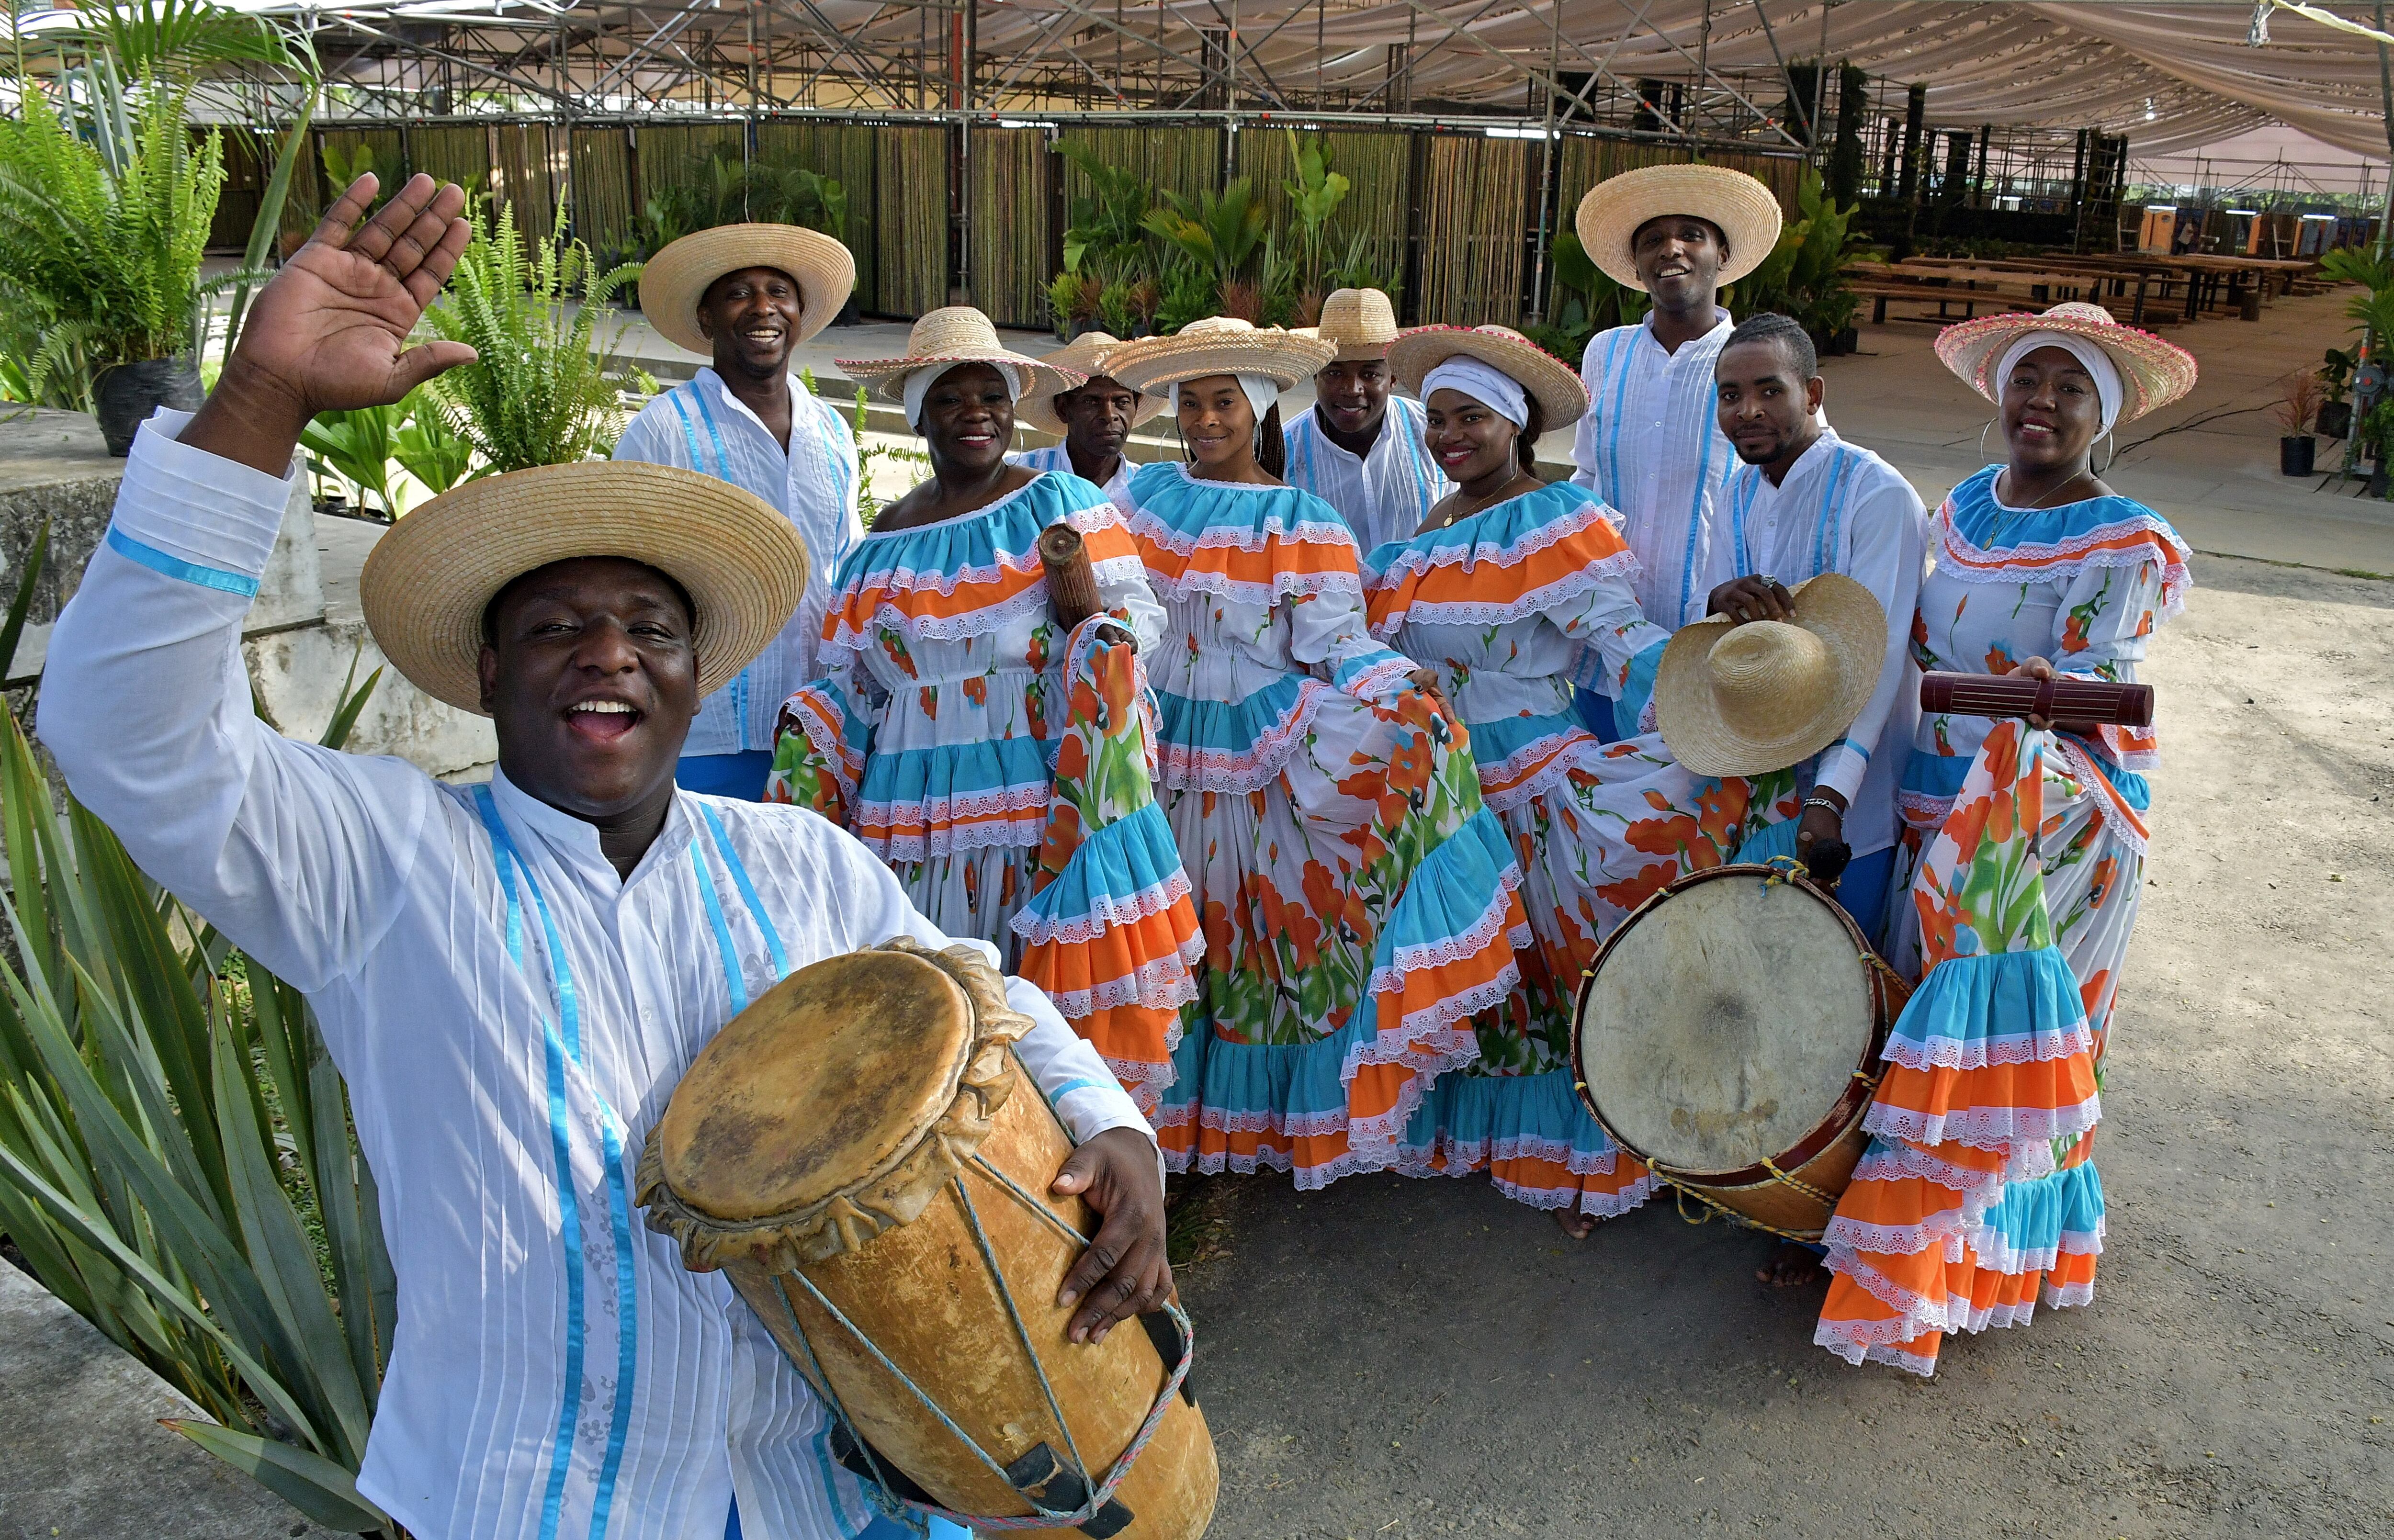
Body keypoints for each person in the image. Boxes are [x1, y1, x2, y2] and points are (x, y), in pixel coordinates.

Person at [37, 172, 1172, 1540]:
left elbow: (971, 992)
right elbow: (120, 732)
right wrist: (261, 403)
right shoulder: (384, 867)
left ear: (698, 679)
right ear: (483, 672)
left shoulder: (798, 867)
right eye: (559, 626)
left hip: (825, 1489)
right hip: (532, 1499)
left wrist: (1106, 1122)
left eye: (650, 624)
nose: (610, 654)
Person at [1809, 302, 2198, 1375]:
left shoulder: (2122, 537)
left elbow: (2115, 689)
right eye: (2029, 381)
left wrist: (2055, 693)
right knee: (1916, 1018)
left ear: (2102, 414)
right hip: (1938, 798)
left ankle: (1964, 1255)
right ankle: (1875, 1231)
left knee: (1982, 1031)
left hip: (2024, 828)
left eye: (2070, 390)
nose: (2041, 405)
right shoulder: (1967, 506)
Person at [1362, 325, 1809, 1234]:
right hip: (1453, 801)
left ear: (1516, 425)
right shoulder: (1424, 532)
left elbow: (1621, 642)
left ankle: (1602, 1154)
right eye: (1439, 419)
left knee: (1573, 974)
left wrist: (1715, 690)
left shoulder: (1552, 519)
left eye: (1473, 419)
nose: (1452, 436)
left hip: (1540, 792)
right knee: (1499, 980)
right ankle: (1506, 1144)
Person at [1101, 318, 1527, 1187]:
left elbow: (1339, 642)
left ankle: (1250, 1121)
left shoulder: (1306, 520)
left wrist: (1407, 689)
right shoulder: (1142, 497)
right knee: (1177, 928)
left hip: (1260, 752)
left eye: (1224, 402)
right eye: (1191, 402)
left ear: (1258, 408)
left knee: (1253, 935)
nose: (1204, 419)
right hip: (1162, 742)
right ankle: (1163, 1115)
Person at [770, 308, 1200, 1112]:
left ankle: (1063, 1150)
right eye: (952, 398)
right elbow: (855, 685)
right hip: (913, 809)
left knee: (1029, 987)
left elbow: (1140, 615)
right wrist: (809, 725)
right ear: (919, 415)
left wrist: (1100, 637)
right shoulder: (879, 546)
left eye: (991, 396)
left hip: (1032, 789)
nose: (976, 413)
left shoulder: (1058, 502)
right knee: (942, 990)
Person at [613, 223, 865, 799]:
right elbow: (625, 575)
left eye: (779, 291)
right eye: (738, 293)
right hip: (706, 735)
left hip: (821, 724)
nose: (762, 308)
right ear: (705, 320)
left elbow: (845, 564)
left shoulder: (830, 429)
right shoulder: (664, 429)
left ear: (800, 312)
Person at [1704, 311, 1929, 948]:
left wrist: (1834, 794)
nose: (1748, 410)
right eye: (1730, 395)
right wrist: (1719, 599)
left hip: (1850, 807)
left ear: (1814, 393)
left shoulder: (1876, 493)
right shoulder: (1737, 493)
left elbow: (1879, 655)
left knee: (1843, 985)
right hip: (1757, 783)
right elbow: (1720, 632)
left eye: (1769, 390)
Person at [1568, 165, 1784, 672]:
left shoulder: (1756, 361)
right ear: (1637, 265)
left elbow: (1796, 484)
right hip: (1608, 628)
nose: (1671, 250)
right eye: (1651, 241)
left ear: (1722, 255)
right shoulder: (1605, 352)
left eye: (1692, 235)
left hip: (1712, 627)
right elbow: (1586, 475)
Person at [1281, 287, 1449, 553]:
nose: (1352, 389)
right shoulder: (1284, 452)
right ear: (1316, 376)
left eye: (1370, 374)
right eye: (1335, 373)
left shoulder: (1433, 433)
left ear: (1393, 378)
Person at [1008, 329, 1160, 504]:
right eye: (1091, 402)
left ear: (1136, 406)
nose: (1109, 416)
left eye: (1122, 402)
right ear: (1063, 409)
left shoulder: (1147, 489)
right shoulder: (1021, 478)